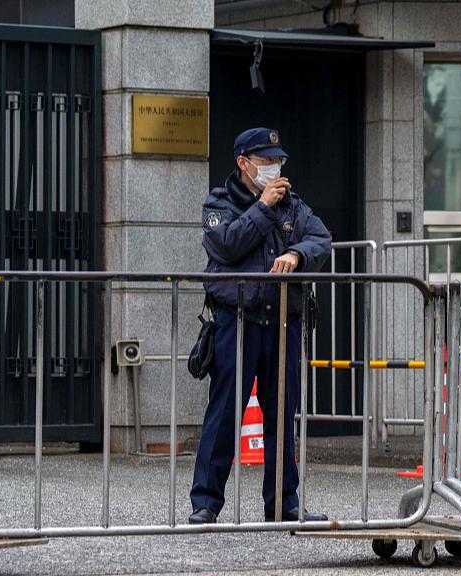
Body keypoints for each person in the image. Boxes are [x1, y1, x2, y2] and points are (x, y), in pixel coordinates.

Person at [189, 128, 332, 524]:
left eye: (278, 161)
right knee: (224, 413)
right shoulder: (220, 202)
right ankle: (205, 503)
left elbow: (321, 239)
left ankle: (283, 502)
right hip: (237, 321)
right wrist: (263, 206)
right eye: (266, 161)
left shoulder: (294, 205)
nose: (274, 168)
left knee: (282, 415)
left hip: (283, 321)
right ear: (243, 163)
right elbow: (227, 244)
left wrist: (297, 255)